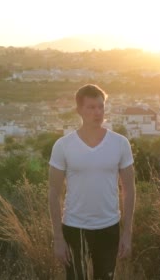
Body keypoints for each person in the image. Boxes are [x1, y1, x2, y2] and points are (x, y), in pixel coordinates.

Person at [48, 84, 135, 280]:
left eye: (101, 106)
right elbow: (54, 192)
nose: (98, 112)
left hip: (109, 227)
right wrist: (58, 238)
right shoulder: (63, 146)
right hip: (74, 227)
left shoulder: (120, 143)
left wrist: (127, 234)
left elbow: (129, 190)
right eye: (91, 107)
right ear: (79, 110)